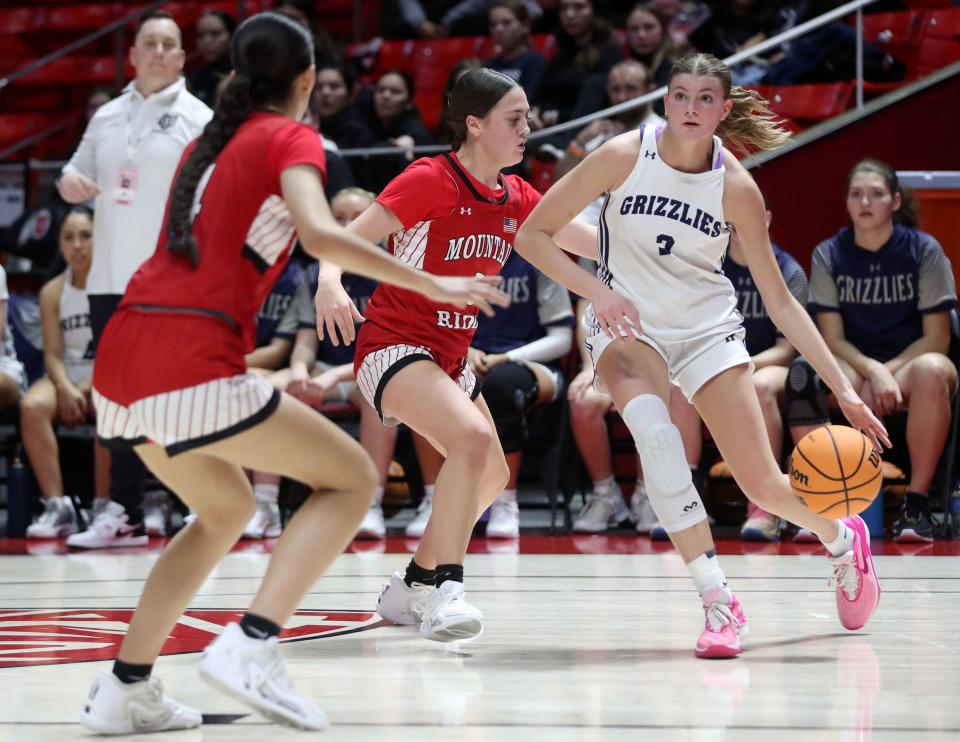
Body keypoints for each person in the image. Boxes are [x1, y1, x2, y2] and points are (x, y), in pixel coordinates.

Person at [78, 13, 505, 735]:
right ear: (307, 79)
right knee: (352, 480)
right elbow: (319, 233)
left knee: (224, 512)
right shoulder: (289, 136)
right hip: (189, 355)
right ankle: (252, 643)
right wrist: (430, 283)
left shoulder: (209, 145)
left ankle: (126, 685)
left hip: (121, 356)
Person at [515, 52, 889, 659]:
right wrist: (600, 290)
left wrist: (843, 390)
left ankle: (842, 539)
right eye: (680, 95)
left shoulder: (736, 186)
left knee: (763, 485)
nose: (690, 107)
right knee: (659, 443)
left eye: (704, 98)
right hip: (628, 326)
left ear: (723, 109)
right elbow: (533, 232)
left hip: (705, 329)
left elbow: (783, 303)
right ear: (665, 101)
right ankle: (719, 600)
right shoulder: (620, 154)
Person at [314, 68, 595, 641]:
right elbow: (341, 238)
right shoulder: (430, 179)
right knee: (470, 442)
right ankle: (447, 589)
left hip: (448, 357)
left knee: (488, 475)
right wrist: (329, 282)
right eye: (514, 119)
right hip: (391, 345)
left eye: (527, 117)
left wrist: (663, 246)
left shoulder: (517, 195)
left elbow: (584, 238)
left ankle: (411, 583)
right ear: (474, 123)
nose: (527, 129)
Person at [57, 10, 213, 549]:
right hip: (107, 278)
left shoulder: (199, 116)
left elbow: (214, 197)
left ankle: (192, 502)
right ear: (132, 54)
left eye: (169, 43)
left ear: (181, 57)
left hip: (170, 279)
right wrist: (71, 182)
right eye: (149, 42)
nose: (158, 51)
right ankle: (123, 511)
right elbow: (71, 171)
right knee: (117, 398)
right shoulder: (105, 117)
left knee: (178, 393)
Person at [794, 158, 957, 543]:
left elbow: (938, 338)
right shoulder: (828, 253)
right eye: (856, 194)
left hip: (910, 362)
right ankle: (814, 499)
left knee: (935, 369)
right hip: (852, 362)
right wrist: (869, 371)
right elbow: (830, 339)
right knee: (803, 372)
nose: (865, 201)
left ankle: (916, 505)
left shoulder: (924, 250)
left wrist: (887, 372)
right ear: (847, 202)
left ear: (895, 202)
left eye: (876, 194)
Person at [252, 187, 398, 540]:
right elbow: (305, 341)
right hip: (324, 370)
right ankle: (265, 506)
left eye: (356, 218)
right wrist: (301, 370)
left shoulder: (391, 270)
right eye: (338, 218)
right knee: (263, 390)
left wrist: (333, 376)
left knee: (378, 395)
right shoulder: (318, 274)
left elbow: (393, 346)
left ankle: (371, 504)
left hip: (372, 369)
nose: (347, 225)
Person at [22, 207, 110, 539]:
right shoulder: (53, 292)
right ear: (59, 245)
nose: (78, 245)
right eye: (69, 238)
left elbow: (114, 351)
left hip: (104, 378)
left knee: (109, 406)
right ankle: (58, 507)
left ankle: (103, 506)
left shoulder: (114, 287)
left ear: (99, 239)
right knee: (32, 406)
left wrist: (87, 387)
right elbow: (53, 354)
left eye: (86, 236)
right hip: (67, 380)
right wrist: (65, 388)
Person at [722, 207, 808, 541]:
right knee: (676, 386)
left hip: (773, 369)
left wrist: (741, 365)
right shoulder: (708, 265)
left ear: (767, 218)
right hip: (720, 364)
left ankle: (765, 506)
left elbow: (787, 348)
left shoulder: (788, 270)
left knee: (758, 387)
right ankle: (685, 504)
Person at [484, 1, 547, 102]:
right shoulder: (488, 65)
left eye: (506, 22)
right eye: (493, 24)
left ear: (525, 26)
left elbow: (527, 101)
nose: (498, 29)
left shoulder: (535, 62)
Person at [188, 9, 235, 107]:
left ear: (231, 37)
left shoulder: (243, 75)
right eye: (201, 35)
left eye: (215, 34)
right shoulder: (194, 79)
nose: (207, 41)